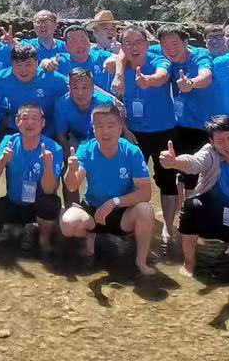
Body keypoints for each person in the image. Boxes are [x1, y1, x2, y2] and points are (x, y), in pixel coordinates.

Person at [160, 115, 229, 276]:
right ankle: (189, 262)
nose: (228, 145)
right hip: (212, 210)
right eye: (220, 141)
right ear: (212, 142)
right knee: (191, 207)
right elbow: (194, 163)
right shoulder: (210, 152)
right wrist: (174, 162)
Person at [59, 104, 156, 275]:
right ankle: (91, 240)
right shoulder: (86, 149)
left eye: (110, 125)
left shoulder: (131, 151)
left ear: (120, 128)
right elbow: (72, 185)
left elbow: (145, 193)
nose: (105, 131)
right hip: (93, 210)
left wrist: (113, 202)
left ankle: (141, 261)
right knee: (68, 222)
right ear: (93, 129)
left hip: (122, 212)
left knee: (146, 210)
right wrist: (71, 169)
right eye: (99, 126)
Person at [110, 26, 179, 241]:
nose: (133, 47)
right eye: (128, 43)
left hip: (164, 131)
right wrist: (124, 129)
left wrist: (148, 80)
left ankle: (168, 225)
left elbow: (162, 76)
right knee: (129, 180)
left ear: (147, 44)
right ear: (122, 47)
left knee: (167, 181)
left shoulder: (159, 59)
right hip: (133, 134)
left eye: (138, 42)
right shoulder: (118, 67)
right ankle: (129, 222)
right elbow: (114, 104)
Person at [0, 103, 62, 252]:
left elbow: (49, 189)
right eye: (24, 118)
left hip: (39, 204)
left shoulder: (54, 148)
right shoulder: (9, 141)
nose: (29, 123)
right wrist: (2, 160)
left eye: (35, 118)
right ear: (17, 122)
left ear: (43, 123)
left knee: (50, 203)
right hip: (14, 201)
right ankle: (19, 231)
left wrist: (48, 165)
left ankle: (45, 240)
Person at [155, 26, 215, 199]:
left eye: (175, 43)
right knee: (180, 173)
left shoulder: (199, 56)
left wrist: (192, 83)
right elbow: (131, 48)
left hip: (201, 125)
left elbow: (206, 76)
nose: (170, 49)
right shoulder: (162, 54)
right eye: (165, 45)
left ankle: (192, 214)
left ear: (185, 42)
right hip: (178, 124)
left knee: (196, 176)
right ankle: (182, 213)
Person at [0, 43, 66, 137]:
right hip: (16, 130)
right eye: (19, 65)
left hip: (47, 131)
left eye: (28, 64)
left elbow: (73, 87)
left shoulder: (50, 77)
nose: (23, 70)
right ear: (11, 64)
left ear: (37, 63)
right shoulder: (2, 78)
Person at [53, 67, 118, 152]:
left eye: (85, 87)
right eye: (75, 88)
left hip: (101, 141)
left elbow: (113, 133)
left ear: (92, 88)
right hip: (76, 142)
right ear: (69, 89)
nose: (80, 93)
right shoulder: (61, 104)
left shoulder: (105, 103)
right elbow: (61, 136)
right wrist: (69, 157)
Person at [42, 23, 112, 84]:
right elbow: (48, 63)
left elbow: (118, 58)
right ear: (66, 46)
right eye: (74, 42)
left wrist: (114, 59)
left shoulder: (100, 56)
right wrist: (46, 63)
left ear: (89, 42)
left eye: (83, 40)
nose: (80, 45)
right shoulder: (62, 61)